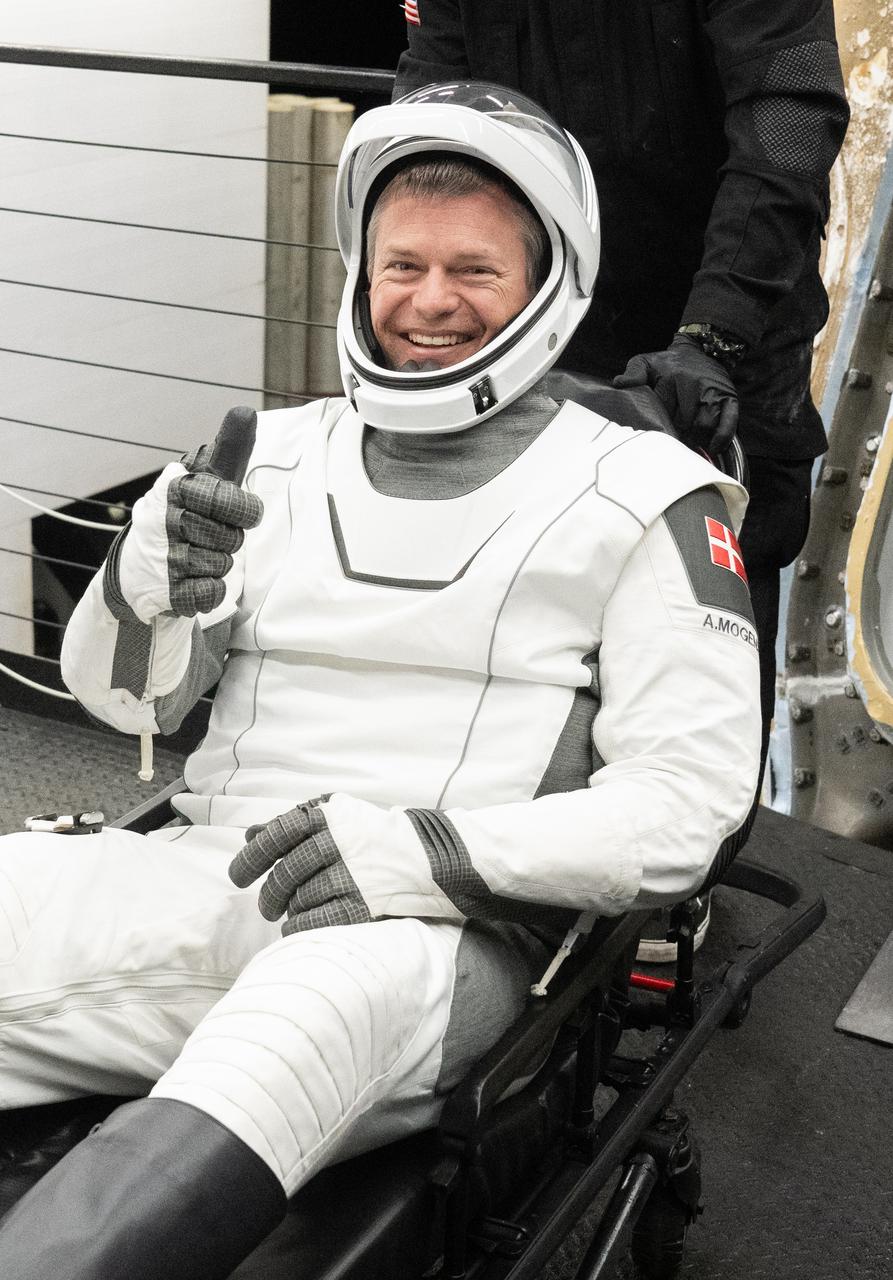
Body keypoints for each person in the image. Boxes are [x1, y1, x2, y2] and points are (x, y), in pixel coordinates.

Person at [0, 84, 759, 1280]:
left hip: (431, 936)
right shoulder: (269, 456)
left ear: (549, 284)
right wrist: (150, 583)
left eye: (474, 269)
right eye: (401, 264)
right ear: (362, 272)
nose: (430, 300)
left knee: (309, 1010)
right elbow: (122, 701)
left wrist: (420, 852)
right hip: (218, 870)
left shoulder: (647, 494)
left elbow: (689, 804)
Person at [393, 1, 850, 775]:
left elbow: (789, 113)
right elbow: (433, 112)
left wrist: (713, 332)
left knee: (706, 609)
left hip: (721, 325)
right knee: (522, 596)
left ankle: (693, 858)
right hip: (538, 326)